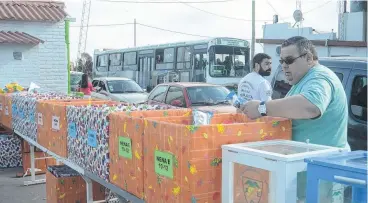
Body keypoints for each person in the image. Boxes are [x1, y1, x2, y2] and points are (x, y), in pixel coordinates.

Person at [241, 36, 348, 202]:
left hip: (321, 178)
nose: (284, 66)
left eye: (289, 60)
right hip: (308, 174)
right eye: (282, 61)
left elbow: (311, 105)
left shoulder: (319, 78)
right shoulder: (303, 80)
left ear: (308, 58)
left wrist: (262, 108)